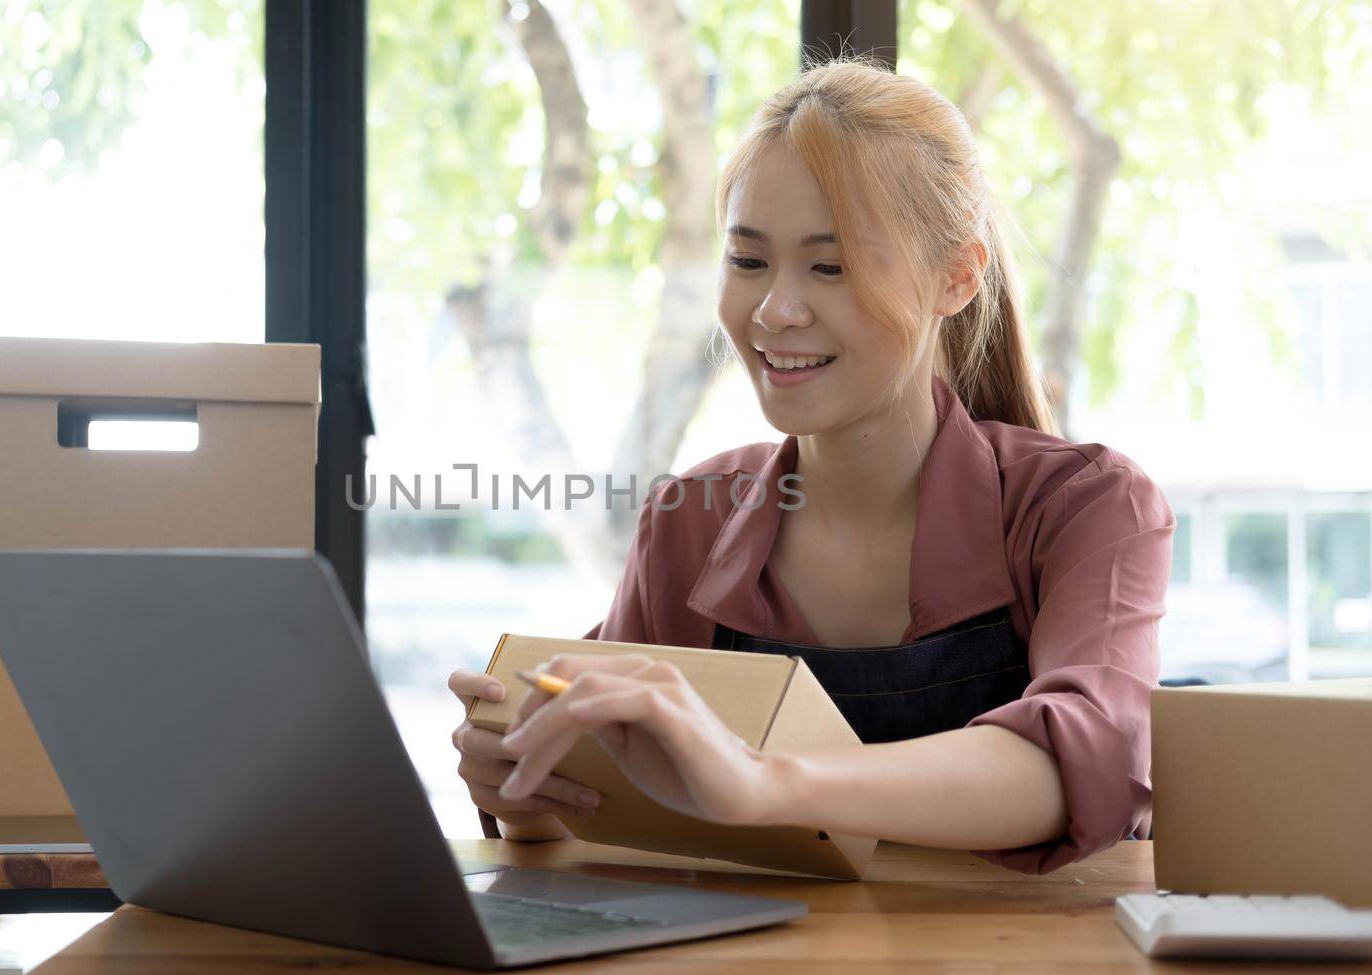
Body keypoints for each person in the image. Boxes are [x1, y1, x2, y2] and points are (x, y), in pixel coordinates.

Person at [447, 58, 1173, 874]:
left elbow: (1087, 760)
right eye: (749, 261)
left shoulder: (1085, 506)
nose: (774, 310)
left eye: (829, 266)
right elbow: (602, 793)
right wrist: (528, 786)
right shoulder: (691, 519)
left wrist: (764, 780)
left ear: (958, 276)